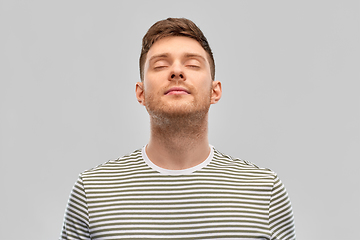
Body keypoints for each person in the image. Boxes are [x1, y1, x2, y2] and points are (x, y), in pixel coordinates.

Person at [60, 17, 296, 240]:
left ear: (215, 91)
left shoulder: (264, 191)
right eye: (161, 65)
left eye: (192, 64)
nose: (176, 72)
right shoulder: (92, 192)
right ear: (141, 93)